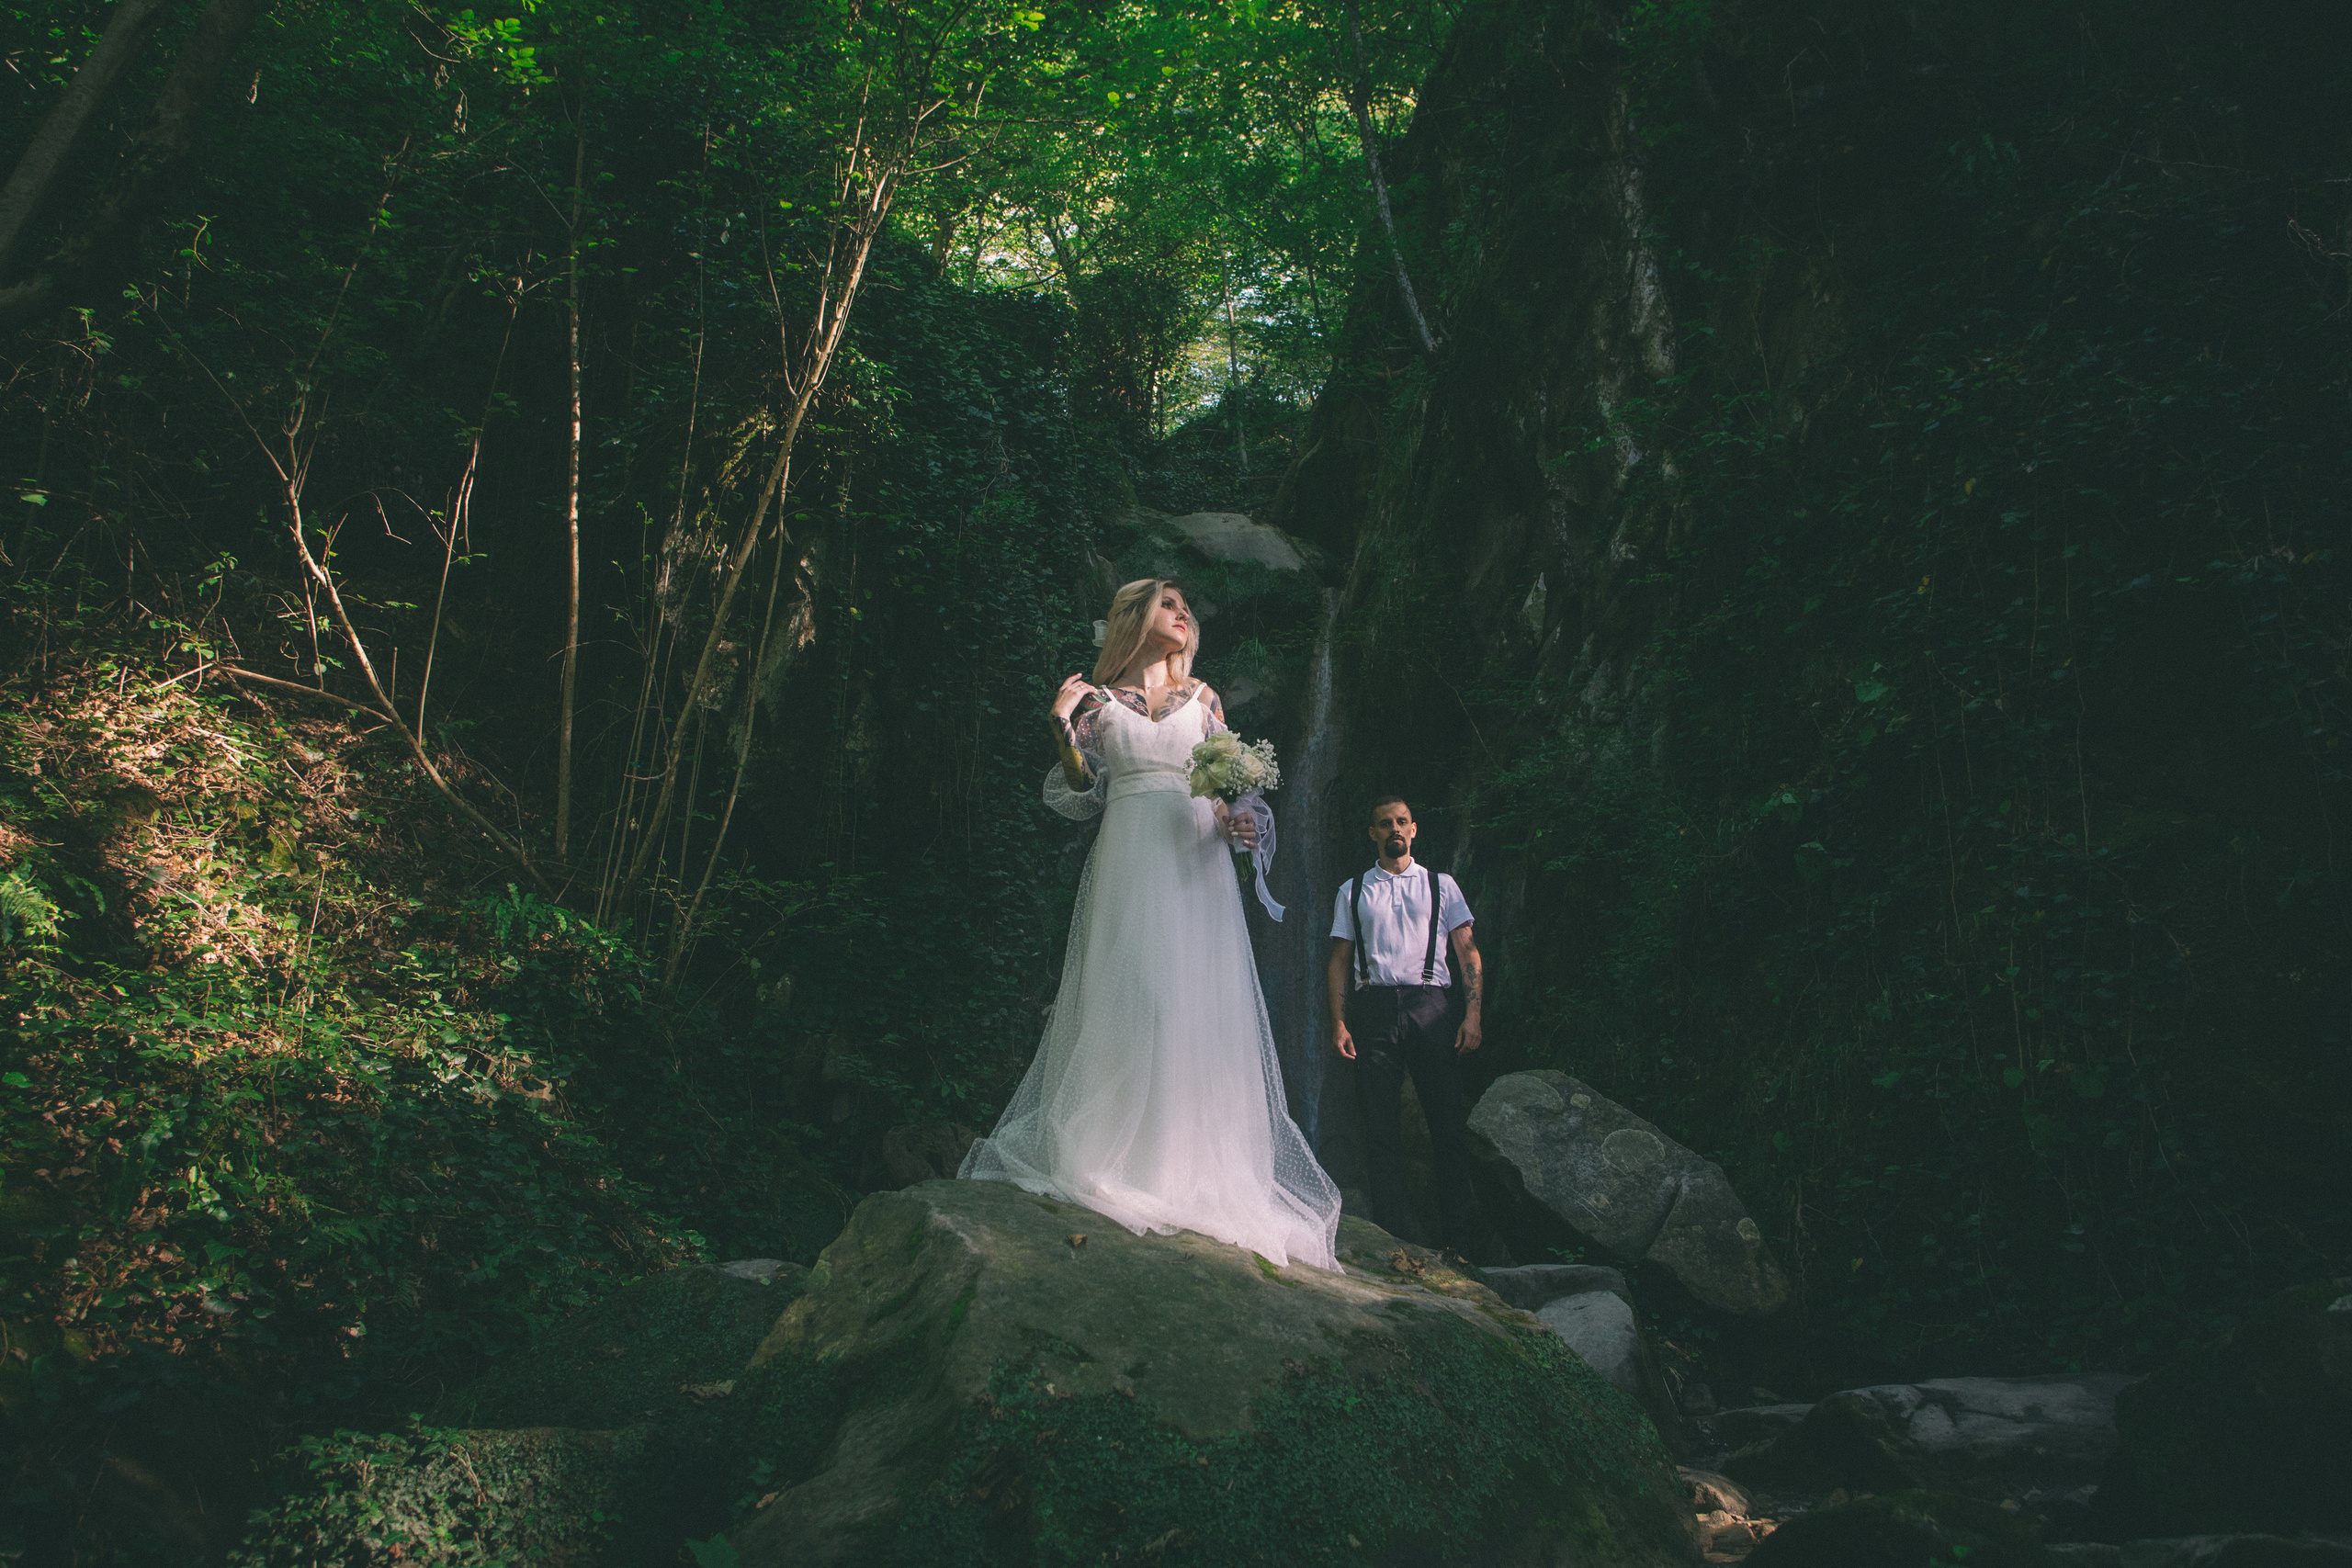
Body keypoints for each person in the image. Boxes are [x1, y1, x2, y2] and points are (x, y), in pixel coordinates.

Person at [959, 578, 1342, 1270]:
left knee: (1198, 1003)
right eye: (1169, 603)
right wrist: (1059, 725)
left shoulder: (1205, 700)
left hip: (1196, 860)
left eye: (1187, 606)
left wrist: (1241, 819)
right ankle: (1123, 1157)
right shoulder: (1099, 703)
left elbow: (1228, 794)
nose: (1184, 612)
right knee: (1136, 995)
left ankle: (1190, 1163)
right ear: (1136, 617)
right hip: (1130, 852)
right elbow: (1081, 787)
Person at [1328, 795, 1485, 1253]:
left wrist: (1472, 1014)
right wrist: (1339, 1023)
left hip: (1431, 1005)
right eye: (1384, 824)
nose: (1394, 829)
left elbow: (1468, 950)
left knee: (1447, 1126)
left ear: (1414, 829)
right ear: (1373, 833)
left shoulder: (1442, 885)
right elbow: (1339, 959)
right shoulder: (1353, 890)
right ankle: (1391, 1246)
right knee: (1379, 1130)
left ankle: (1461, 1248)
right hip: (1373, 1008)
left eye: (1401, 822)